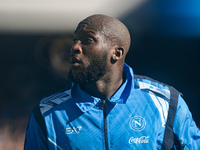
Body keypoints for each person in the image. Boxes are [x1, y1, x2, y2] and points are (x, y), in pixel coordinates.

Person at [24, 14, 200, 150]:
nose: (75, 47)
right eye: (75, 40)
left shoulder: (166, 102)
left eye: (87, 40)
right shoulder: (47, 113)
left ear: (116, 53)